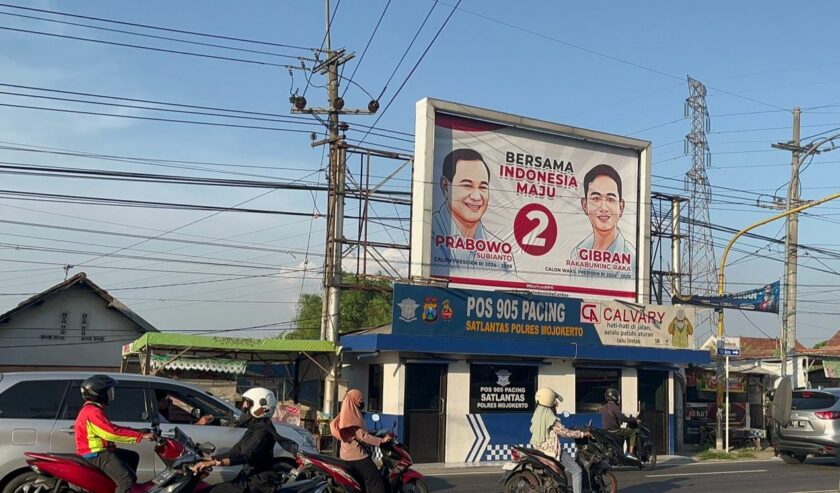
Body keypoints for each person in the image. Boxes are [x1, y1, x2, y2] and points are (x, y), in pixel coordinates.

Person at [192, 388, 298, 493]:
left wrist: (214, 463)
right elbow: (235, 452)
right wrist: (205, 459)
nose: (244, 407)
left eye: (248, 403)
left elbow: (245, 457)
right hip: (247, 478)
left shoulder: (262, 431)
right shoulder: (255, 427)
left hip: (256, 483)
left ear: (260, 406)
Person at [74, 375, 155, 493]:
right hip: (97, 454)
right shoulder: (92, 412)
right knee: (125, 480)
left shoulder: (93, 410)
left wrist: (138, 431)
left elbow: (112, 428)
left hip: (101, 451)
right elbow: (110, 433)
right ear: (99, 394)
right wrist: (141, 436)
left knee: (132, 457)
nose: (111, 394)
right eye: (108, 391)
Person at [570, 164, 635, 276]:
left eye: (610, 199)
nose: (603, 208)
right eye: (596, 198)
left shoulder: (632, 259)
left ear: (621, 207)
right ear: (585, 205)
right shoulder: (577, 253)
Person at [330, 389, 391, 493]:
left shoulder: (345, 414)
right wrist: (381, 440)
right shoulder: (352, 417)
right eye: (360, 400)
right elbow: (363, 436)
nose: (362, 403)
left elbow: (358, 433)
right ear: (354, 401)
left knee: (364, 479)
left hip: (345, 454)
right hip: (357, 455)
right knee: (375, 478)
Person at [530, 388, 588, 493]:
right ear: (550, 400)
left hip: (539, 448)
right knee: (577, 471)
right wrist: (582, 434)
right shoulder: (550, 416)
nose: (556, 404)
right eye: (554, 401)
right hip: (551, 450)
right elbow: (564, 432)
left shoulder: (538, 412)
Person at [599, 388, 638, 457]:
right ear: (615, 396)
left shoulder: (602, 408)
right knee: (632, 432)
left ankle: (620, 453)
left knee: (622, 436)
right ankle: (631, 453)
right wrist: (632, 419)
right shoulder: (614, 407)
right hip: (614, 430)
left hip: (605, 430)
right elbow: (622, 418)